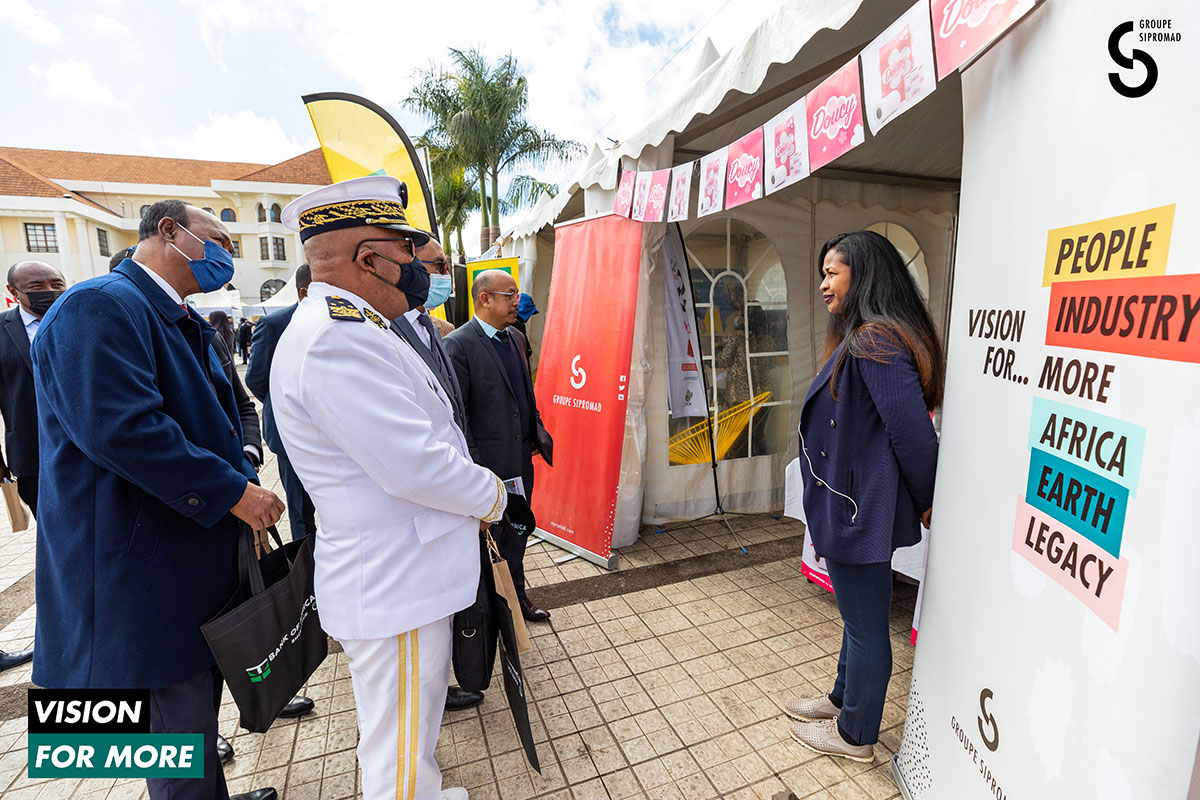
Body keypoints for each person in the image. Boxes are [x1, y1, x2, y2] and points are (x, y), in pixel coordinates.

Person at [32, 200, 286, 800]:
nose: (228, 254)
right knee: (169, 720)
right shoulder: (99, 306)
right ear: (168, 232)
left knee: (190, 709)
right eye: (218, 239)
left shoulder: (182, 317)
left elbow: (233, 412)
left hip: (181, 555)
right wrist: (232, 494)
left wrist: (244, 463)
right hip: (137, 563)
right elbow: (123, 431)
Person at [273, 175, 508, 800]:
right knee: (398, 747)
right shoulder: (335, 340)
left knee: (410, 727)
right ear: (368, 257)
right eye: (406, 252)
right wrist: (494, 497)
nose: (419, 265)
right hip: (393, 577)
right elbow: (416, 463)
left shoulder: (360, 326)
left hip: (406, 569)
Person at [787, 230, 942, 763]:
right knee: (857, 617)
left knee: (867, 624)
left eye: (833, 273)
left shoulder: (876, 340)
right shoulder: (866, 336)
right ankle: (841, 700)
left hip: (859, 509)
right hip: (851, 503)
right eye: (823, 273)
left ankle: (856, 736)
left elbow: (914, 435)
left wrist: (927, 499)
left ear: (865, 274)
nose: (824, 284)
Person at [390, 238, 483, 713]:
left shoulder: (433, 326)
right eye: (435, 265)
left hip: (448, 502)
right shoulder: (378, 334)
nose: (443, 274)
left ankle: (435, 689)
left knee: (436, 633)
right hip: (414, 517)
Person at [444, 270, 554, 623]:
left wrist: (534, 433)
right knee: (484, 542)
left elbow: (525, 394)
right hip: (486, 468)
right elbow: (458, 417)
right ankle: (485, 611)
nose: (516, 302)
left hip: (521, 461)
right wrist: (475, 468)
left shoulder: (516, 339)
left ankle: (516, 599)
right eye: (509, 295)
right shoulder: (459, 344)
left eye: (517, 294)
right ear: (484, 299)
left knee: (518, 533)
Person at [0, 260, 63, 672]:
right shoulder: (2, 330)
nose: (48, 290)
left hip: (96, 454)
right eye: (36, 285)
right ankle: (63, 636)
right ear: (14, 291)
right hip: (35, 461)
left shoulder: (79, 313)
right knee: (57, 548)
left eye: (55, 282)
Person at [245, 264, 317, 541]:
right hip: (290, 437)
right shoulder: (274, 324)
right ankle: (307, 576)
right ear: (304, 291)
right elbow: (256, 379)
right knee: (300, 512)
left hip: (329, 433)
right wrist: (285, 407)